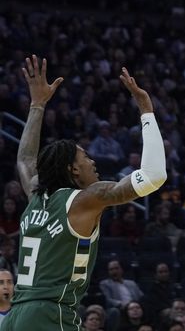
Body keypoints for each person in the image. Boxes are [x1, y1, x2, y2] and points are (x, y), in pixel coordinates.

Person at [0, 56, 167, 330]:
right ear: (72, 170)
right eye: (85, 157)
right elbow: (154, 176)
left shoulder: (36, 195)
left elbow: (25, 159)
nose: (93, 162)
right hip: (50, 316)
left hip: (16, 317)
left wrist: (37, 105)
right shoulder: (85, 199)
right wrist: (146, 111)